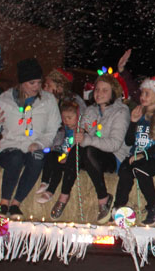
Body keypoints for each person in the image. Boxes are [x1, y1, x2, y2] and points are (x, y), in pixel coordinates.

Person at [0, 58, 61, 220]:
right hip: (10, 149)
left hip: (34, 147)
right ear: (21, 83)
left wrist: (39, 143)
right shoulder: (4, 100)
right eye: (32, 83)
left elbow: (52, 130)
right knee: (16, 157)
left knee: (38, 157)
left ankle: (16, 204)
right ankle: (4, 202)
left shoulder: (48, 101)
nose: (36, 87)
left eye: (39, 82)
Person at [51, 74, 130, 221]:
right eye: (97, 90)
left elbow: (114, 144)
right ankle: (64, 196)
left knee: (87, 150)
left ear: (113, 92)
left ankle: (103, 198)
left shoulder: (121, 111)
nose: (99, 93)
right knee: (77, 150)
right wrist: (68, 154)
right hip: (90, 155)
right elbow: (80, 137)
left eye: (104, 90)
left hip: (113, 156)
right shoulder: (91, 111)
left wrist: (88, 139)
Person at [110, 76, 155, 225]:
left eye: (147, 93)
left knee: (140, 168)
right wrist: (133, 123)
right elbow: (128, 141)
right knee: (125, 170)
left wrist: (144, 154)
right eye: (142, 93)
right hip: (137, 157)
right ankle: (118, 206)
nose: (142, 97)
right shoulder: (139, 114)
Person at [35, 99, 80, 205]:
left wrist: (65, 155)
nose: (66, 121)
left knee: (58, 167)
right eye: (64, 118)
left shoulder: (79, 132)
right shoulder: (62, 130)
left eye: (70, 118)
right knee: (51, 156)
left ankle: (50, 191)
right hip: (61, 154)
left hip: (71, 160)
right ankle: (44, 181)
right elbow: (58, 144)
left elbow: (74, 147)